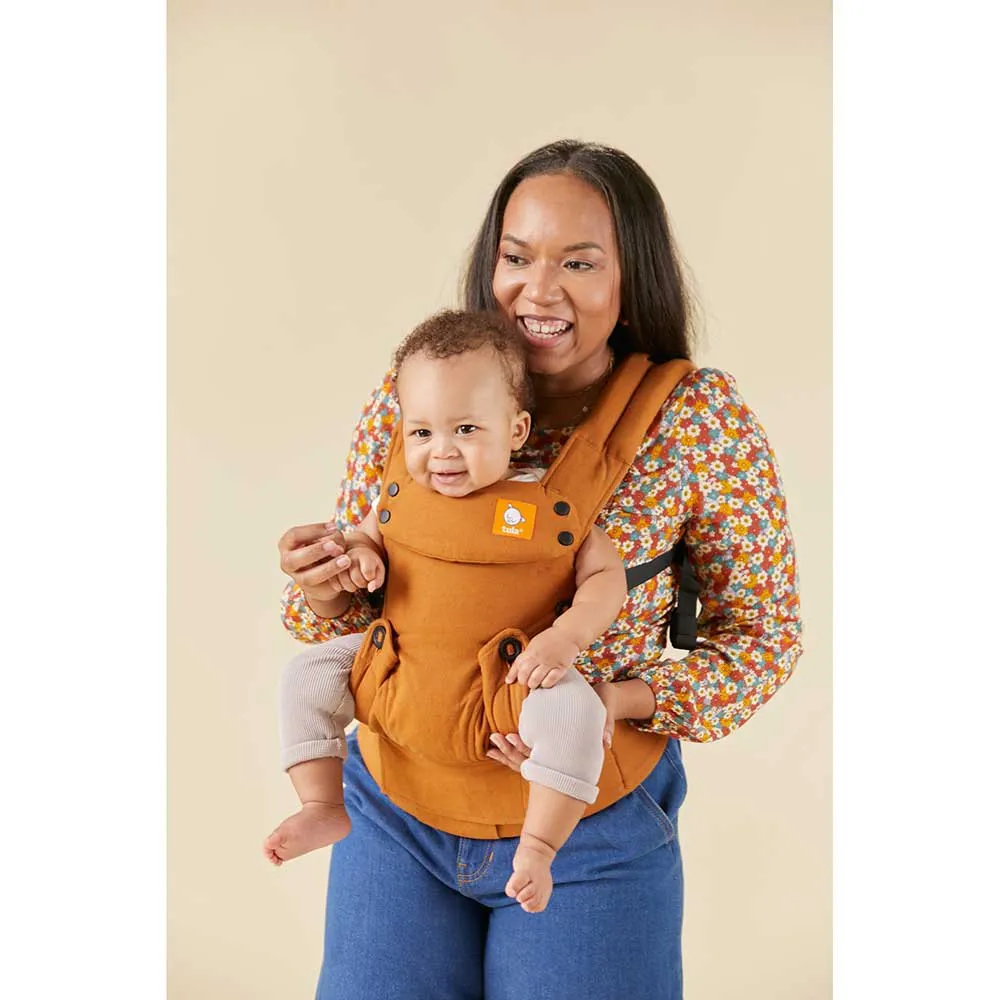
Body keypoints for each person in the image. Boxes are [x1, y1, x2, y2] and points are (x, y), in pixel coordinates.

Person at [277, 139, 803, 1000]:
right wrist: (322, 583)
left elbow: (762, 639)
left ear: (632, 278)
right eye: (516, 258)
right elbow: (355, 611)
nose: (539, 291)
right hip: (395, 806)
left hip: (591, 822)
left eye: (580, 263)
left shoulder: (696, 421)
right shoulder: (417, 389)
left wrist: (611, 704)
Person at [265, 308, 632, 915]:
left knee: (577, 715)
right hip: (399, 662)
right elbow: (364, 539)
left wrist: (565, 638)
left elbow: (605, 579)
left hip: (508, 678)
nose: (442, 452)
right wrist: (359, 557)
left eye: (465, 429)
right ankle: (322, 804)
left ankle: (539, 846)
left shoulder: (548, 504)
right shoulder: (400, 497)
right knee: (305, 674)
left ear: (516, 430)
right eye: (421, 433)